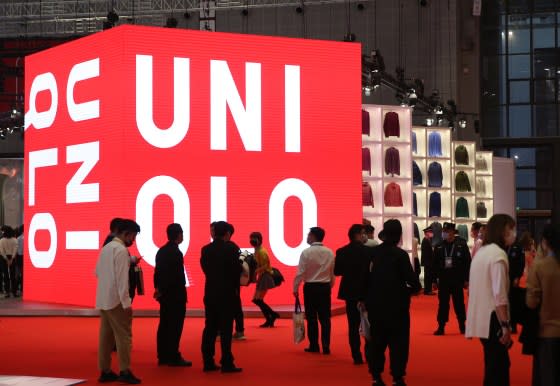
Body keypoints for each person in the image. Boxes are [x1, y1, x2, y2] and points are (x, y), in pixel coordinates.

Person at [360, 219, 421, 386]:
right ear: (399, 235)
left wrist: (364, 299)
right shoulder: (400, 255)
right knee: (399, 344)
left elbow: (364, 280)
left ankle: (376, 376)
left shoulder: (372, 254)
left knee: (376, 343)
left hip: (376, 306)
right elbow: (414, 283)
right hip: (398, 307)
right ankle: (397, 377)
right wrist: (407, 291)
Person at [465, 214, 516, 386]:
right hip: (493, 318)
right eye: (510, 229)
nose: (513, 233)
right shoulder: (498, 255)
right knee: (499, 369)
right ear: (502, 231)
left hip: (481, 318)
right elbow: (499, 294)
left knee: (493, 365)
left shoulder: (482, 252)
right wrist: (505, 325)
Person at [95, 218, 142, 384]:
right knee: (124, 337)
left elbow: (97, 272)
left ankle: (105, 370)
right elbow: (122, 281)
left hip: (103, 299)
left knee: (105, 337)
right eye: (133, 236)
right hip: (117, 302)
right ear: (126, 233)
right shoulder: (121, 250)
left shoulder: (106, 248)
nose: (133, 240)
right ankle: (125, 370)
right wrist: (127, 303)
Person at [200, 221, 242, 373]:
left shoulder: (205, 250)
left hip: (210, 293)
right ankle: (226, 361)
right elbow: (237, 271)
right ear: (227, 234)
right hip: (227, 294)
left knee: (210, 327)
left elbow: (205, 269)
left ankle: (207, 361)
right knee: (225, 329)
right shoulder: (231, 249)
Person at [526, 224, 560, 386]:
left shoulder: (540, 266)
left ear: (544, 242)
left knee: (547, 376)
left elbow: (531, 302)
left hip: (547, 332)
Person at [154, 223, 191, 367]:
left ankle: (162, 356)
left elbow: (158, 274)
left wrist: (159, 289)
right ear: (179, 235)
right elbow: (177, 277)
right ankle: (173, 355)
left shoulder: (161, 251)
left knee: (164, 324)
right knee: (175, 326)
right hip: (175, 295)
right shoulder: (176, 253)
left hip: (164, 295)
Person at [293, 226, 335, 355]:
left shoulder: (306, 252)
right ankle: (326, 346)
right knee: (325, 318)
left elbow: (300, 272)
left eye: (308, 235)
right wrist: (329, 286)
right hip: (324, 287)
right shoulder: (329, 252)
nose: (307, 237)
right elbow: (332, 273)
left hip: (310, 288)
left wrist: (295, 288)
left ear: (313, 236)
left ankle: (314, 345)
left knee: (311, 318)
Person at [334, 224, 371, 364]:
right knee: (369, 323)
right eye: (363, 233)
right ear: (357, 234)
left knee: (353, 326)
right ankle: (369, 353)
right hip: (366, 291)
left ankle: (356, 355)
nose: (364, 235)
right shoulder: (369, 251)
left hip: (349, 291)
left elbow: (337, 272)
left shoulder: (341, 251)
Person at [433, 222, 471, 335]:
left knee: (459, 303)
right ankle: (441, 326)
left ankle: (462, 325)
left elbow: (467, 263)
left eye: (447, 231)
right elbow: (434, 265)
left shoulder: (461, 245)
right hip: (444, 280)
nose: (445, 233)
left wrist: (466, 279)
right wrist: (434, 280)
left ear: (453, 232)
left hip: (457, 280)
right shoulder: (439, 246)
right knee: (443, 304)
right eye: (444, 232)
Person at [250, 231, 280, 328]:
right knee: (257, 300)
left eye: (254, 239)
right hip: (262, 276)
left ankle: (271, 317)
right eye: (251, 238)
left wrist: (255, 271)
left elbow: (266, 265)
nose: (252, 241)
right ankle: (271, 316)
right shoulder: (257, 250)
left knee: (258, 300)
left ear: (259, 240)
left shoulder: (262, 251)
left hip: (265, 276)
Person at [507, 235, 525, 334]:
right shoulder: (503, 245)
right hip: (503, 277)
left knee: (513, 302)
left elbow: (521, 263)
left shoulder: (518, 246)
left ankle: (513, 325)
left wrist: (518, 277)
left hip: (513, 278)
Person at [0, 226, 18, 298]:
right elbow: (15, 249)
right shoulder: (14, 240)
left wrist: (6, 259)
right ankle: (14, 292)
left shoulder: (1, 240)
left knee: (6, 275)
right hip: (12, 258)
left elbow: (1, 251)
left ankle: (7, 292)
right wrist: (12, 259)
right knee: (13, 275)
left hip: (4, 258)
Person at [421, 226, 435, 295]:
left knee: (429, 276)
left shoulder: (428, 240)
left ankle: (428, 289)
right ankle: (427, 290)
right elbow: (426, 253)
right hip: (428, 262)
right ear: (426, 233)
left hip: (429, 262)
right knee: (428, 276)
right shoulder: (425, 241)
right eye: (430, 232)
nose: (431, 233)